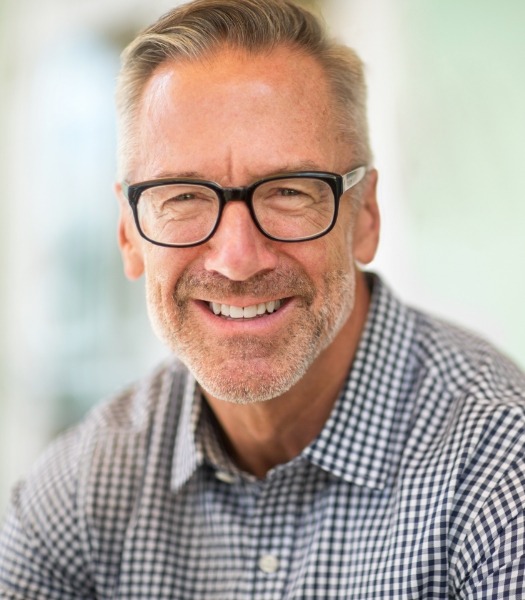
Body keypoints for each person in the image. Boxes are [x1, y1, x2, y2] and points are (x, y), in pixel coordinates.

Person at [1, 0, 524, 597]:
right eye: (183, 197)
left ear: (367, 217)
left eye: (289, 192)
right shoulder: (78, 492)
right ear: (128, 233)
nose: (237, 258)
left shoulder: (502, 467)